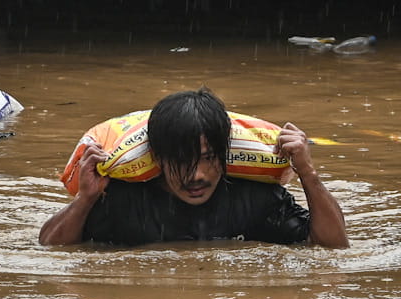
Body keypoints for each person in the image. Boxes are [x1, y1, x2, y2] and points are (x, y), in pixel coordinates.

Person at [38, 87, 349, 248]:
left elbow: (333, 248)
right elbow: (51, 249)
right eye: (181, 160)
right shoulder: (125, 201)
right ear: (157, 158)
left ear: (225, 156)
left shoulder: (256, 198)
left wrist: (308, 175)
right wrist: (85, 199)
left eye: (209, 158)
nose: (197, 176)